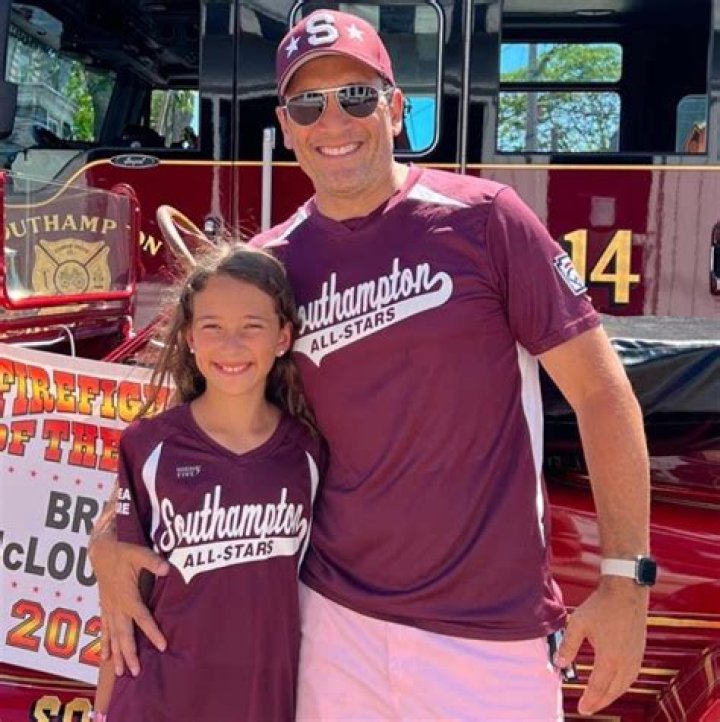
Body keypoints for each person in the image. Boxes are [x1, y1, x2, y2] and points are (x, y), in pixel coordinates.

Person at [90, 9, 652, 720]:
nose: (333, 122)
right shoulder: (271, 267)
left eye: (356, 96)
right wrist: (109, 537)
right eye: (307, 104)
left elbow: (602, 394)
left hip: (489, 636)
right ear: (285, 126)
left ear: (395, 108)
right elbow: (194, 425)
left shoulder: (486, 220)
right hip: (332, 626)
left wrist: (626, 581)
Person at [91, 243, 323, 721]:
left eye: (252, 326)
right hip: (157, 703)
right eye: (212, 326)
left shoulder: (306, 452)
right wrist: (100, 713)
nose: (231, 345)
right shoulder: (149, 446)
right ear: (189, 337)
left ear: (283, 337)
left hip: (262, 704)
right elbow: (122, 607)